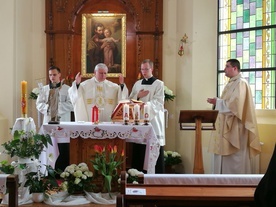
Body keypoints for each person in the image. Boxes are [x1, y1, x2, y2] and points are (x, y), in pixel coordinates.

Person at [207, 59, 261, 174]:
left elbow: (235, 106)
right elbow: (229, 103)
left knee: (236, 157)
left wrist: (218, 102)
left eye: (227, 66)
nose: (224, 69)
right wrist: (218, 102)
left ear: (235, 68)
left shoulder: (241, 83)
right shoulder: (232, 83)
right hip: (228, 124)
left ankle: (236, 183)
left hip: (237, 127)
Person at [129, 59, 165, 173]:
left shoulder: (159, 84)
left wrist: (145, 105)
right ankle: (137, 174)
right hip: (139, 120)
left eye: (146, 69)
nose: (144, 71)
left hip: (153, 120)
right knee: (140, 148)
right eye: (142, 69)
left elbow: (159, 102)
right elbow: (131, 99)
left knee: (153, 145)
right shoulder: (137, 83)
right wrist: (138, 96)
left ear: (152, 69)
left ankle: (156, 175)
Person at [36, 66, 73, 171]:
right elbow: (39, 104)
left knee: (63, 149)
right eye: (50, 75)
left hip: (63, 122)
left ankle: (62, 171)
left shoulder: (67, 89)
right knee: (49, 147)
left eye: (54, 74)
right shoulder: (44, 89)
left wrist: (56, 108)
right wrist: (49, 109)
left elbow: (71, 104)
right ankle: (48, 171)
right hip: (49, 122)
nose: (52, 77)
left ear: (59, 75)